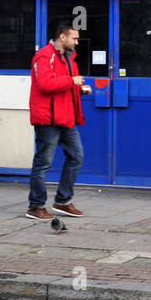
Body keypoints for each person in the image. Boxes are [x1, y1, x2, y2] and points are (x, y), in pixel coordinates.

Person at [27, 21, 90, 224]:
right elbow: (45, 84)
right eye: (74, 38)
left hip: (65, 117)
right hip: (49, 119)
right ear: (62, 37)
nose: (77, 42)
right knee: (43, 163)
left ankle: (62, 201)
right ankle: (35, 206)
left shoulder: (69, 58)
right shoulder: (44, 56)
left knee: (77, 156)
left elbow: (63, 85)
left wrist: (79, 89)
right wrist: (72, 82)